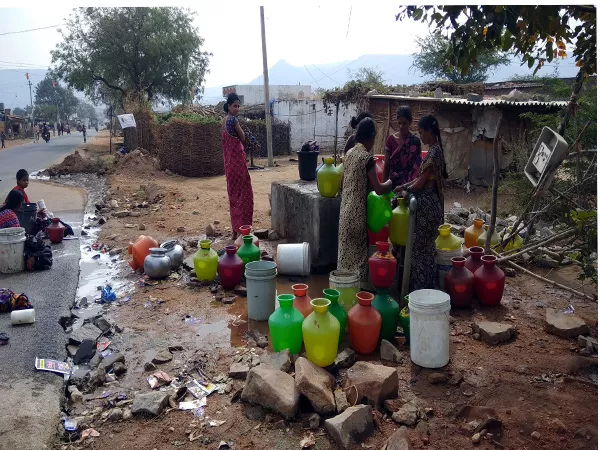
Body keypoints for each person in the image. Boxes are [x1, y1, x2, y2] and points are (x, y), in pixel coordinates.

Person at [395, 114, 448, 291]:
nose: (421, 136)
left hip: (428, 208)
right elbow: (419, 179)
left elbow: (419, 183)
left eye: (422, 132)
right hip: (428, 206)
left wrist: (405, 190)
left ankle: (422, 290)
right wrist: (402, 185)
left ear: (430, 132)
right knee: (422, 250)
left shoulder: (434, 152)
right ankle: (422, 289)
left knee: (421, 252)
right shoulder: (434, 150)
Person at [338, 117, 393, 280]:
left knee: (345, 258)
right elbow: (378, 187)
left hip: (344, 214)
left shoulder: (349, 154)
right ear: (370, 137)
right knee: (358, 261)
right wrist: (390, 183)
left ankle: (342, 292)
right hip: (357, 216)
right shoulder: (366, 157)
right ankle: (358, 299)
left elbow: (345, 184)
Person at [222, 93, 254, 240]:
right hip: (238, 164)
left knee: (233, 196)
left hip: (229, 165)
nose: (237, 109)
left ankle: (235, 231)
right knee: (244, 195)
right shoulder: (233, 120)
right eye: (235, 106)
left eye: (238, 106)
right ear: (229, 106)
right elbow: (242, 138)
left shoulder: (224, 121)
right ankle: (243, 231)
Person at [383, 106, 422, 190]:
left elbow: (417, 167)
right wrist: (384, 187)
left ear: (410, 122)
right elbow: (386, 165)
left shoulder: (415, 142)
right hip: (393, 184)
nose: (401, 126)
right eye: (399, 123)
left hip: (409, 186)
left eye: (404, 123)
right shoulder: (390, 140)